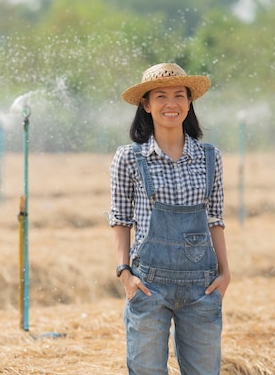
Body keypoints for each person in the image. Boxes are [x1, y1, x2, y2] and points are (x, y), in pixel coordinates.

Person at [108, 62, 231, 375]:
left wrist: (225, 274)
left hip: (201, 287)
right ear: (146, 105)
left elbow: (215, 218)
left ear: (189, 102)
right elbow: (120, 218)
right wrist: (125, 273)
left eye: (179, 95)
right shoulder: (129, 158)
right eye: (160, 96)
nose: (171, 103)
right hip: (148, 286)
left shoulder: (209, 157)